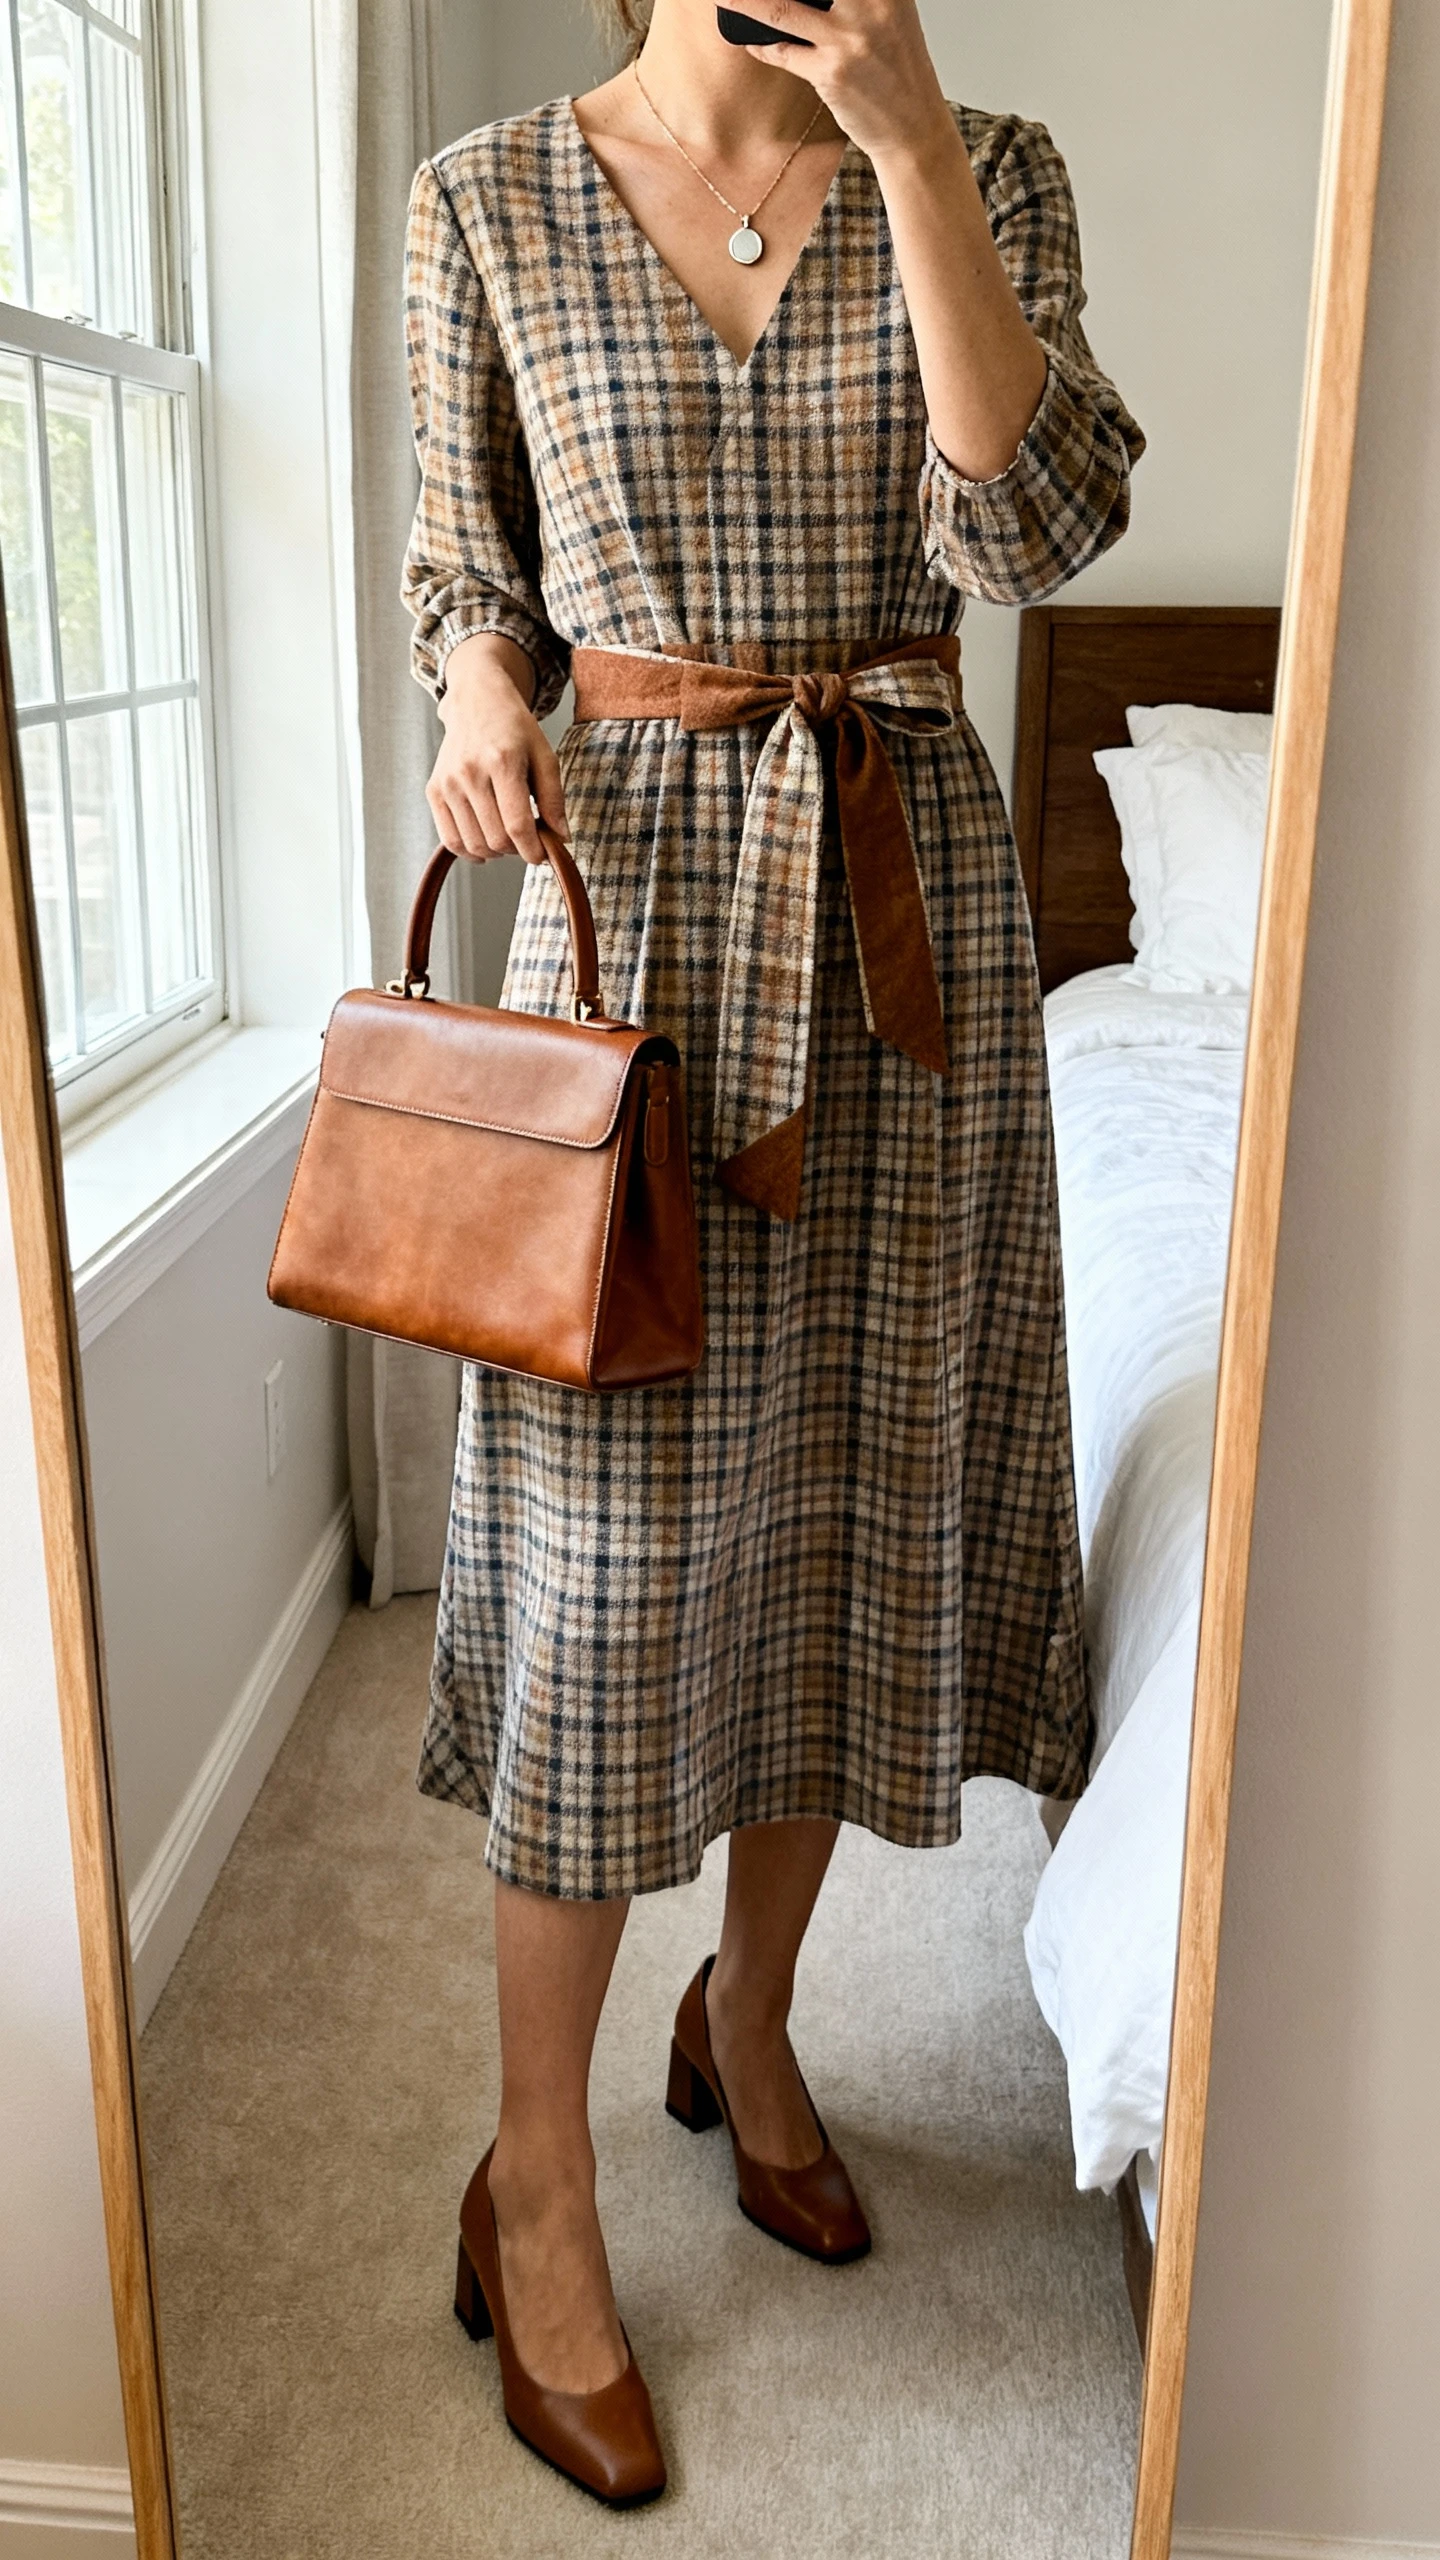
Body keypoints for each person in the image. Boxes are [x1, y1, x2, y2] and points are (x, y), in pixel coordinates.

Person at [401, 0, 1141, 2506]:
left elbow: (1035, 535)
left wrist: (907, 145)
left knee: (833, 1548)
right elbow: (456, 568)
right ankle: (539, 2180)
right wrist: (479, 687)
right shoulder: (486, 196)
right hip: (631, 953)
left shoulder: (993, 160)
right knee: (612, 1596)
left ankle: (756, 2004)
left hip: (907, 944)